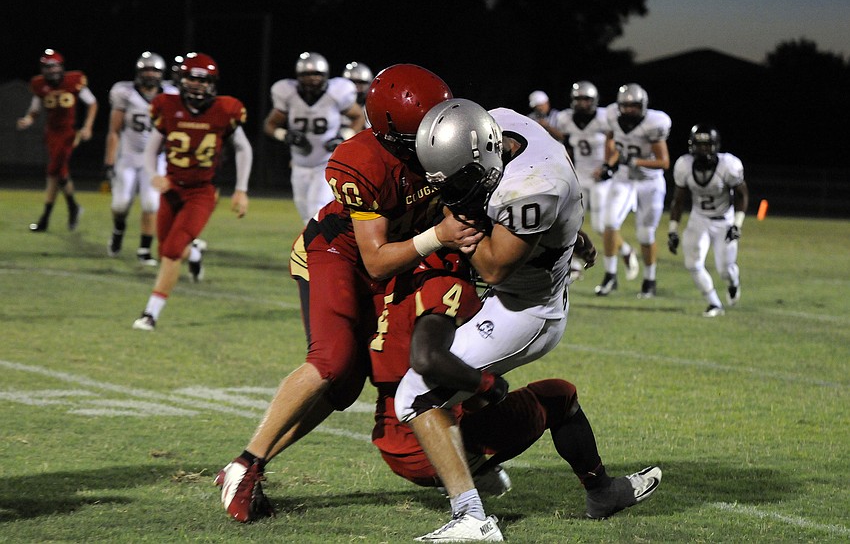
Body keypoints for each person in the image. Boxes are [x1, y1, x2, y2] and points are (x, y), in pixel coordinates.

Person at [216, 64, 480, 523]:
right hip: (338, 252)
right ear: (396, 133)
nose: (439, 136)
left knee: (345, 389)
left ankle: (250, 466)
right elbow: (375, 259)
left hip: (393, 255)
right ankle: (245, 464)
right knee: (332, 361)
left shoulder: (443, 142)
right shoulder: (363, 159)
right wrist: (439, 234)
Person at [395, 98, 661, 540]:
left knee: (414, 394)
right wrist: (572, 232)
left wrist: (447, 221)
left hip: (524, 312)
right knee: (541, 394)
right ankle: (602, 491)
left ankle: (472, 517)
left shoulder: (530, 189)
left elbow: (495, 267)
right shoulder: (503, 125)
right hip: (519, 293)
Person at [370, 250, 662, 541]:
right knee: (558, 395)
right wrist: (487, 385)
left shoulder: (391, 284)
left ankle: (477, 473)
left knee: (466, 392)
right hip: (424, 440)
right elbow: (430, 362)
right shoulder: (443, 286)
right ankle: (601, 491)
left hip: (390, 438)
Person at [131, 52, 252, 331]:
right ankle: (194, 251)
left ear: (213, 83)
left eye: (203, 81)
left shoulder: (225, 109)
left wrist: (241, 190)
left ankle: (150, 314)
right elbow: (152, 148)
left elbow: (244, 148)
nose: (197, 86)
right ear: (180, 80)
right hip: (172, 189)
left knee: (172, 251)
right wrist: (154, 175)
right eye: (191, 79)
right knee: (167, 252)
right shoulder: (167, 105)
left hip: (201, 192)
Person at [264, 51, 365, 224]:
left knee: (317, 208)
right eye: (307, 74)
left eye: (316, 74)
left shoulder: (335, 93)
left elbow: (358, 117)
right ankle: (320, 247)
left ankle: (317, 249)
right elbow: (270, 125)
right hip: (299, 164)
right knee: (305, 213)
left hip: (326, 163)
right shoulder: (288, 95)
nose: (312, 78)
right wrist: (285, 135)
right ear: (298, 76)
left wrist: (344, 136)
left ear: (325, 75)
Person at [595, 83, 671, 298]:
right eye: (626, 106)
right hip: (624, 179)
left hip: (649, 182)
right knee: (609, 223)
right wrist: (609, 163)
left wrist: (635, 161)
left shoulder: (654, 124)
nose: (630, 110)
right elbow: (612, 141)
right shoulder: (612, 117)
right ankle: (610, 275)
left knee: (645, 234)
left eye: (634, 106)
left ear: (643, 106)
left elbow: (664, 162)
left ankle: (649, 280)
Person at [553, 80, 633, 282]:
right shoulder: (565, 119)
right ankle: (572, 265)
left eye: (586, 99)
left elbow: (615, 144)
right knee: (568, 222)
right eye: (578, 99)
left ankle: (624, 249)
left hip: (599, 178)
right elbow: (567, 145)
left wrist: (607, 165)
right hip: (578, 176)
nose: (582, 103)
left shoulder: (604, 118)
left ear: (594, 100)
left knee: (600, 226)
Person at [104, 51, 178, 265]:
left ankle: (144, 250)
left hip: (155, 159)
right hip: (128, 156)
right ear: (138, 72)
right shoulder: (124, 92)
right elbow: (114, 130)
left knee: (151, 204)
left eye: (154, 70)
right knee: (120, 205)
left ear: (161, 73)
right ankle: (118, 230)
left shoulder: (171, 94)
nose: (150, 74)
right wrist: (109, 161)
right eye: (146, 69)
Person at [668, 124, 749, 317]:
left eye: (707, 145)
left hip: (724, 220)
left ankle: (733, 283)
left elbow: (742, 195)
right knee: (693, 264)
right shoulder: (684, 166)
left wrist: (737, 224)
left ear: (716, 146)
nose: (703, 149)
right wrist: (673, 230)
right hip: (699, 219)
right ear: (691, 146)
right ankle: (714, 303)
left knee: (725, 270)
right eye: (699, 145)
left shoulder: (728, 165)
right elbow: (678, 201)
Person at [17, 49, 98, 232]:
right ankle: (72, 207)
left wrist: (87, 127)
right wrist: (28, 119)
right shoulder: (39, 84)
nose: (51, 71)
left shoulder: (74, 80)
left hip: (68, 133)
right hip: (51, 134)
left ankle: (47, 217)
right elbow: (35, 109)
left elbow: (92, 103)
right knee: (57, 173)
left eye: (54, 66)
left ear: (61, 67)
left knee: (54, 170)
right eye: (47, 67)